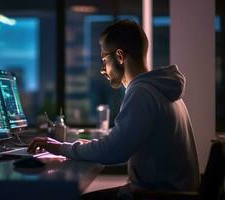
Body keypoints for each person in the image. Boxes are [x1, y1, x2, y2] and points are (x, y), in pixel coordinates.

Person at [28, 20, 200, 199]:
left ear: (119, 56)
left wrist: (60, 148)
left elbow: (114, 152)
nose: (102, 69)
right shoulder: (163, 90)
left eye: (104, 60)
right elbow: (123, 143)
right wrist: (97, 145)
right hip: (172, 192)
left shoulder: (141, 92)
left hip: (153, 195)